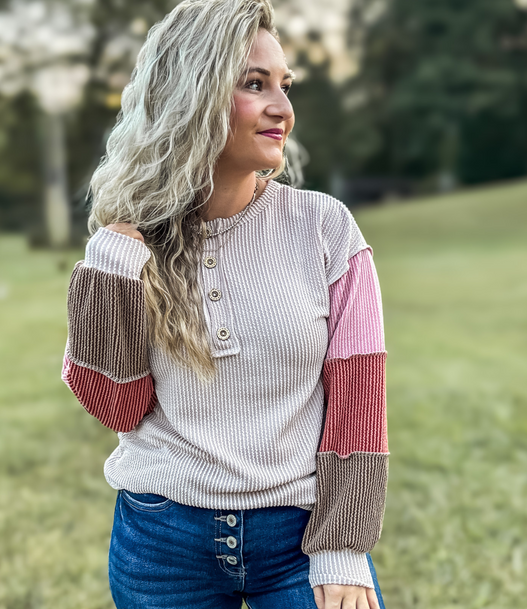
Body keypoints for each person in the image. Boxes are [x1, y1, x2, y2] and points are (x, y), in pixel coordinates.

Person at [61, 1, 389, 607]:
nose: (283, 110)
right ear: (193, 96)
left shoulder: (325, 228)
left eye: (285, 87)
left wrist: (342, 546)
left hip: (299, 538)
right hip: (162, 540)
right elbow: (119, 407)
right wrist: (109, 273)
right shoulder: (129, 248)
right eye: (253, 84)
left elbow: (358, 400)